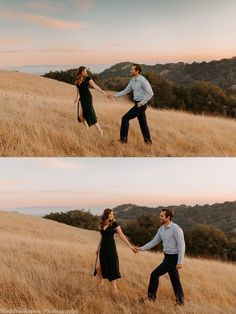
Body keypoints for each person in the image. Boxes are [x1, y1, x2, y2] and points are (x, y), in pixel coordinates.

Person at [134, 209, 185, 305]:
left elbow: (181, 245)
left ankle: (151, 298)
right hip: (167, 257)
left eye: (162, 216)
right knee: (175, 279)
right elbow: (154, 241)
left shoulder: (176, 229)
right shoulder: (161, 229)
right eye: (160, 215)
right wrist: (141, 248)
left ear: (168, 217)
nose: (160, 217)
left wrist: (180, 261)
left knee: (154, 274)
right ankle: (180, 302)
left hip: (173, 258)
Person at [94, 208, 136, 291]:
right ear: (106, 214)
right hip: (103, 248)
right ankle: (101, 281)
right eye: (110, 214)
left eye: (112, 214)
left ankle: (114, 288)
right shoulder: (102, 224)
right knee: (98, 268)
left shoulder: (114, 224)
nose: (112, 216)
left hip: (110, 249)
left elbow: (122, 235)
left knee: (112, 266)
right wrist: (97, 247)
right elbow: (102, 236)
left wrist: (130, 247)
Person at [113, 64, 154, 144]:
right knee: (143, 124)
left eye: (132, 69)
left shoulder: (142, 80)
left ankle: (123, 140)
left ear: (137, 71)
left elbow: (150, 93)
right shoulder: (132, 80)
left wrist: (142, 103)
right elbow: (126, 91)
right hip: (137, 104)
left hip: (141, 105)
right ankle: (148, 142)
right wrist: (115, 95)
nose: (130, 71)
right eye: (130, 69)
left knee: (125, 118)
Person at [74, 66, 112, 135]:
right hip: (81, 98)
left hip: (87, 98)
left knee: (90, 114)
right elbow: (78, 89)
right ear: (81, 71)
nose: (86, 72)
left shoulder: (88, 78)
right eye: (84, 71)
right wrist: (76, 98)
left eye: (86, 71)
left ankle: (100, 131)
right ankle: (87, 129)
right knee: (80, 115)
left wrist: (105, 94)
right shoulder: (78, 79)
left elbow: (95, 86)